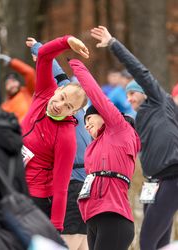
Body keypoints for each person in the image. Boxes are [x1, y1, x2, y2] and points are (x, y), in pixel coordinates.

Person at [91, 25, 178, 250]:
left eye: (132, 93)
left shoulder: (159, 100)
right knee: (159, 243)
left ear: (144, 90)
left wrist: (113, 44)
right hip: (153, 181)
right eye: (127, 94)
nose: (128, 99)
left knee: (147, 241)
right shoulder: (140, 118)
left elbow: (140, 70)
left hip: (172, 177)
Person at [67, 53, 140, 250]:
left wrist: (77, 66)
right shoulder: (94, 147)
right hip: (92, 217)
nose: (87, 126)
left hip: (113, 217)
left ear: (103, 116)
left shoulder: (119, 130)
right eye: (85, 124)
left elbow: (96, 96)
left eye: (90, 120)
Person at [28, 37, 91, 250]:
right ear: (57, 90)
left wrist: (56, 226)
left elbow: (61, 186)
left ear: (75, 112)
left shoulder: (67, 135)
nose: (60, 105)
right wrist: (66, 41)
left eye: (68, 106)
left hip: (50, 193)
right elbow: (47, 58)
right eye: (62, 97)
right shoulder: (45, 93)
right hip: (14, 185)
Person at [0, 54, 36, 123]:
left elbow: (30, 72)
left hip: (33, 130)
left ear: (19, 83)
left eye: (13, 81)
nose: (12, 85)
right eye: (8, 83)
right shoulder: (4, 106)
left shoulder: (28, 92)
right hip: (18, 133)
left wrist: (12, 62)